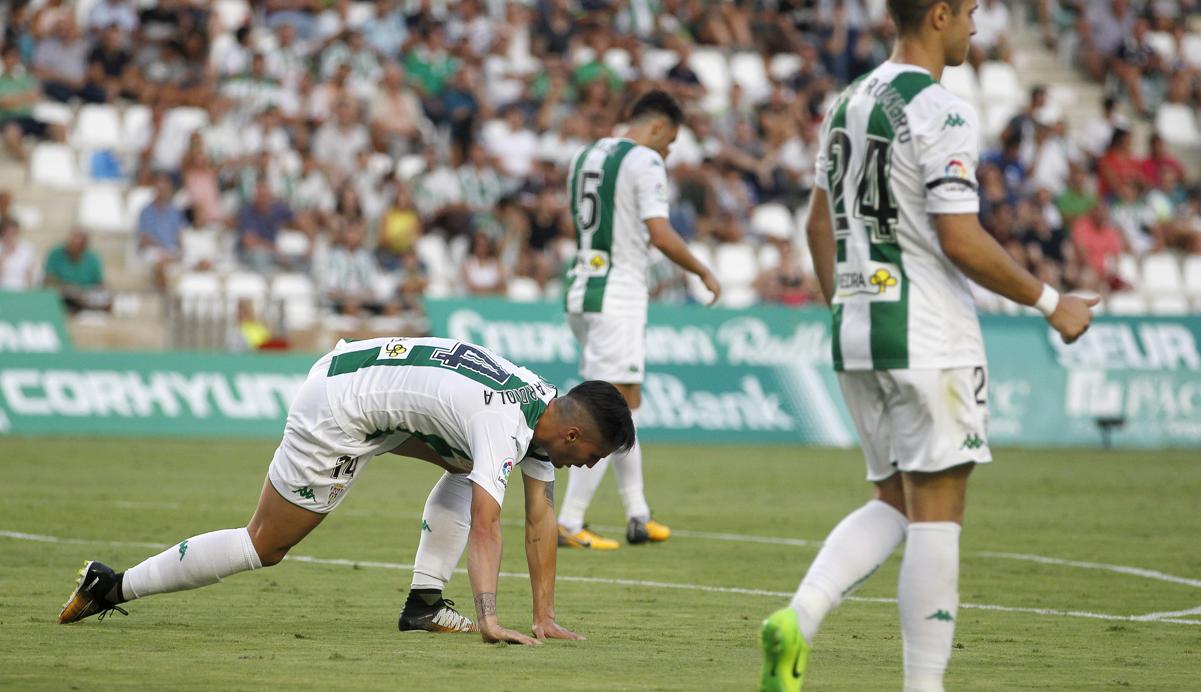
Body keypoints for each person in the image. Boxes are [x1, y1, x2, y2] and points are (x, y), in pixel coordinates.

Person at [758, 3, 1096, 692]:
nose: (976, 26)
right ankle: (923, 690)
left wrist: (845, 304)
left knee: (894, 499)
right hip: (929, 333)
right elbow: (960, 238)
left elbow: (819, 223)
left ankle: (801, 615)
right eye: (969, 11)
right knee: (939, 513)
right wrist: (1049, 302)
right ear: (938, 14)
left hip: (858, 329)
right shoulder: (940, 107)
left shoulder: (847, 101)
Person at [59, 336, 635, 647]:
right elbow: (489, 524)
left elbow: (539, 521)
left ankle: (424, 606)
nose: (585, 469)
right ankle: (112, 586)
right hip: (340, 411)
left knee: (468, 467)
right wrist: (489, 618)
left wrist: (544, 616)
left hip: (361, 374)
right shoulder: (505, 421)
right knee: (265, 544)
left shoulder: (542, 407)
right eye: (591, 458)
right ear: (575, 433)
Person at [556, 89, 721, 551]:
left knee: (626, 403)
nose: (666, 152)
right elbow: (660, 232)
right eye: (669, 141)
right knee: (604, 409)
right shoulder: (644, 160)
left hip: (581, 289)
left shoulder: (584, 155)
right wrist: (702, 269)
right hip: (617, 296)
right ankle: (569, 520)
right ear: (656, 126)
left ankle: (637, 515)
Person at [43, 229, 111, 313]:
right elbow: (48, 279)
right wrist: (68, 288)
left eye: (77, 246)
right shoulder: (56, 254)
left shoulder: (93, 259)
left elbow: (99, 283)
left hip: (85, 296)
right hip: (62, 296)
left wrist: (83, 293)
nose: (73, 249)